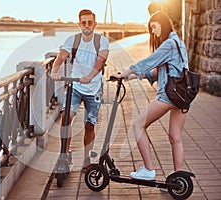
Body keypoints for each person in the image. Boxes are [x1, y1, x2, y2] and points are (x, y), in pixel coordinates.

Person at [110, 10, 188, 180]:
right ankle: (178, 178)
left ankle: (148, 170)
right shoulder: (179, 43)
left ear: (163, 23)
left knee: (138, 125)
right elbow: (157, 71)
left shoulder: (168, 44)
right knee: (175, 137)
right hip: (183, 96)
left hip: (168, 96)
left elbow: (147, 62)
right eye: (151, 29)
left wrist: (123, 73)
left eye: (154, 27)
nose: (153, 31)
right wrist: (130, 77)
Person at [51, 9, 109, 170]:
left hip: (94, 87)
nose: (87, 26)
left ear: (94, 24)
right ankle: (65, 154)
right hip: (75, 86)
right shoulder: (73, 40)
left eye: (90, 23)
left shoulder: (101, 41)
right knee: (65, 117)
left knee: (90, 124)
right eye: (83, 23)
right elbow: (62, 56)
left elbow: (101, 60)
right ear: (79, 24)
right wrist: (54, 70)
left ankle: (87, 159)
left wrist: (90, 76)